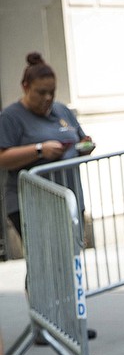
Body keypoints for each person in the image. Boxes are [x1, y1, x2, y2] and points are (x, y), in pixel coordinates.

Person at [0, 52, 95, 239]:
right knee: (46, 263)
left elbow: (80, 139)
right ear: (25, 87)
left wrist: (84, 147)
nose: (48, 97)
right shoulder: (10, 117)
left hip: (70, 198)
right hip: (32, 205)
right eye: (41, 92)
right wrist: (39, 150)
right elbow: (2, 158)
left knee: (72, 258)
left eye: (52, 91)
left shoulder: (62, 110)